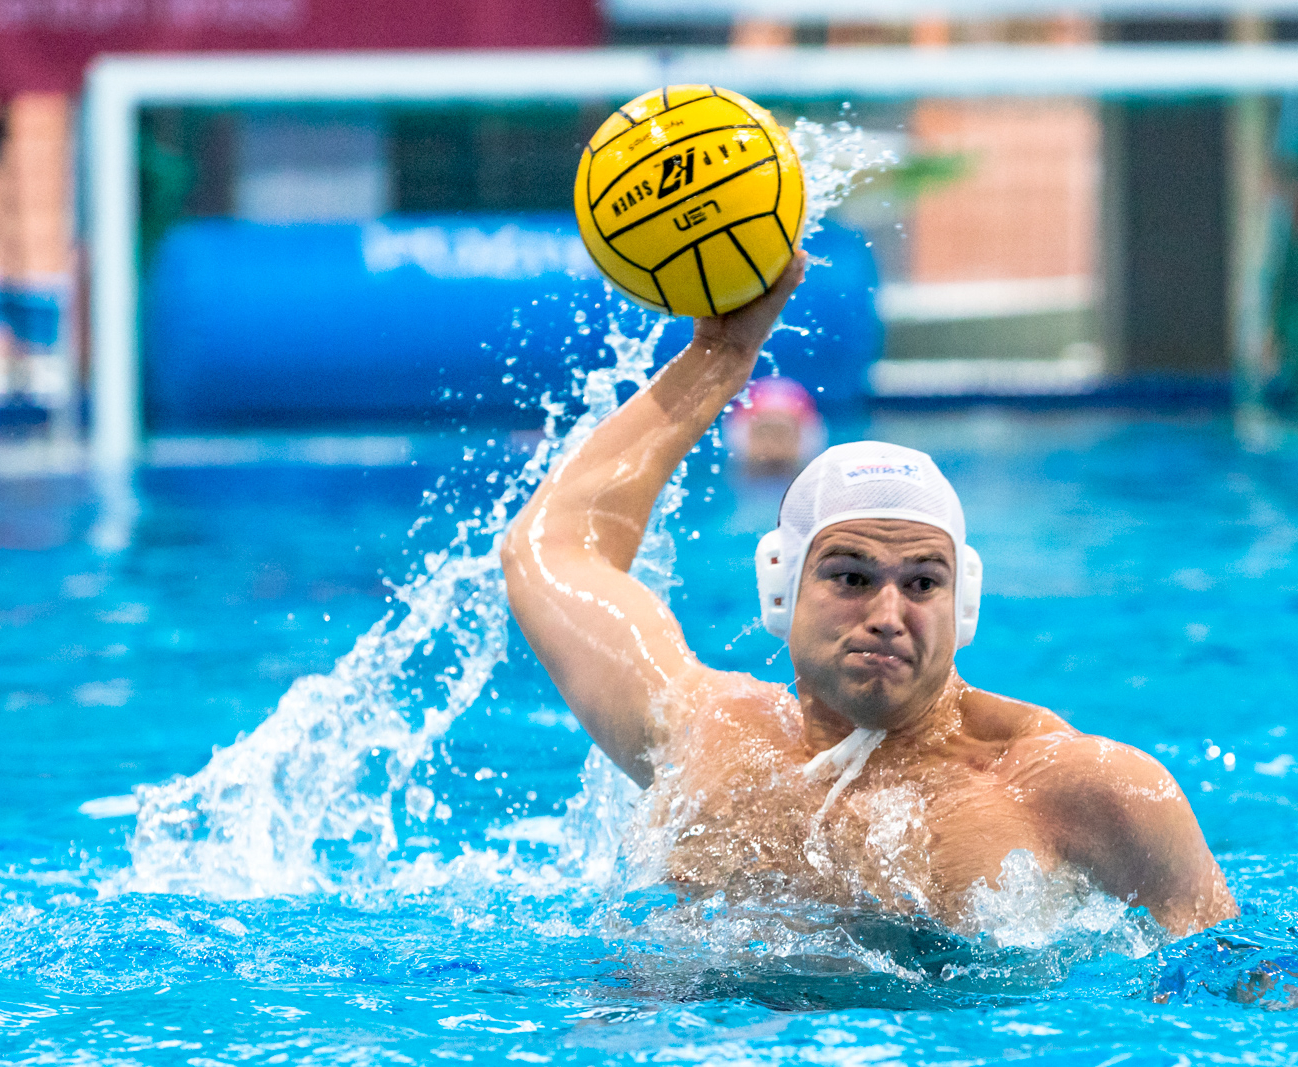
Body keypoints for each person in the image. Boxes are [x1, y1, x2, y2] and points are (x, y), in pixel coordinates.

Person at [501, 253, 1237, 936]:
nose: (888, 616)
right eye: (850, 576)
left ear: (963, 603)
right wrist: (716, 362)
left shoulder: (1082, 787)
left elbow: (1245, 982)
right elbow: (553, 549)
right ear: (782, 588)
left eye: (922, 582)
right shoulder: (699, 729)